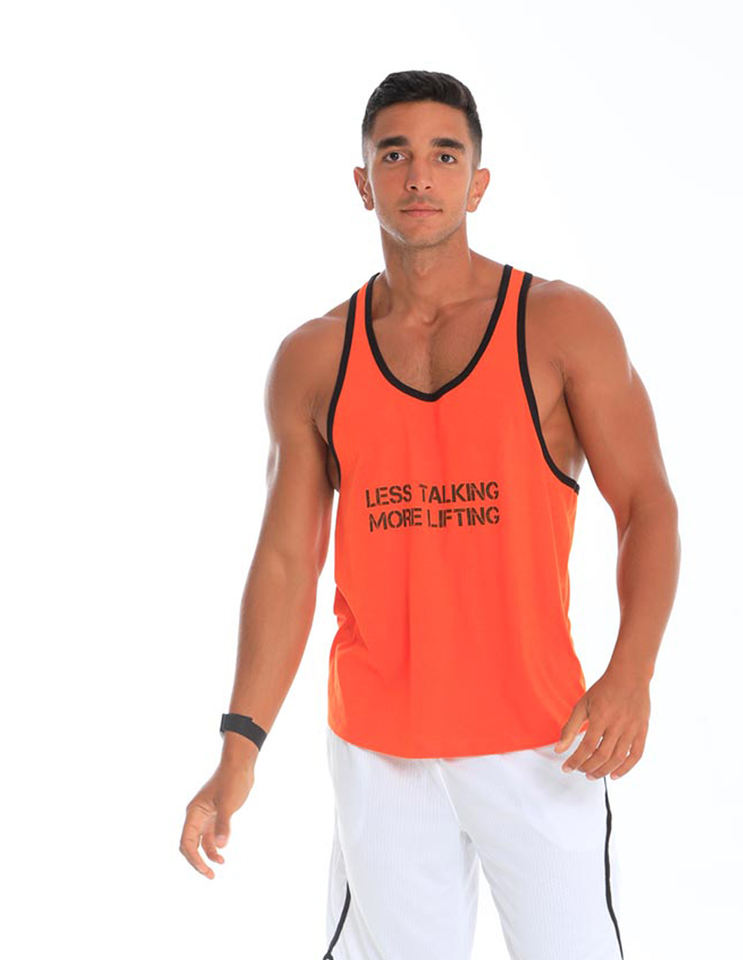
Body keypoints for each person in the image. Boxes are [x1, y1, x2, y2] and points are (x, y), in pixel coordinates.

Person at [179, 69, 680, 959]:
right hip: (382, 751)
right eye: (395, 155)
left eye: (445, 156)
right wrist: (239, 747)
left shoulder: (560, 325)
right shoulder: (315, 358)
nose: (419, 176)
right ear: (363, 181)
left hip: (543, 741)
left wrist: (631, 673)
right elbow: (288, 563)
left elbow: (646, 505)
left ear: (477, 183)